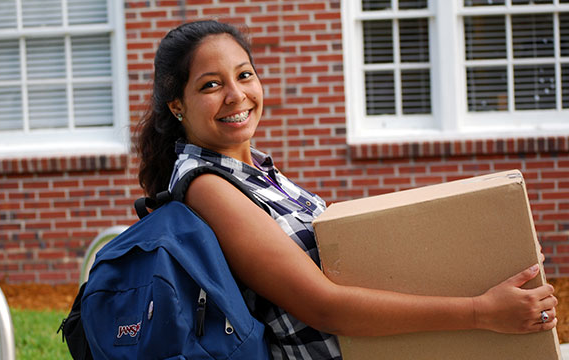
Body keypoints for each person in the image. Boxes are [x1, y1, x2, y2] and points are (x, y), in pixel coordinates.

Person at [136, 20, 557, 359]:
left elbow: (356, 259)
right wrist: (479, 313)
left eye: (244, 75)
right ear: (177, 105)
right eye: (211, 85)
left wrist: (491, 257)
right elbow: (323, 306)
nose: (236, 95)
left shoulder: (255, 169)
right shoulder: (208, 185)